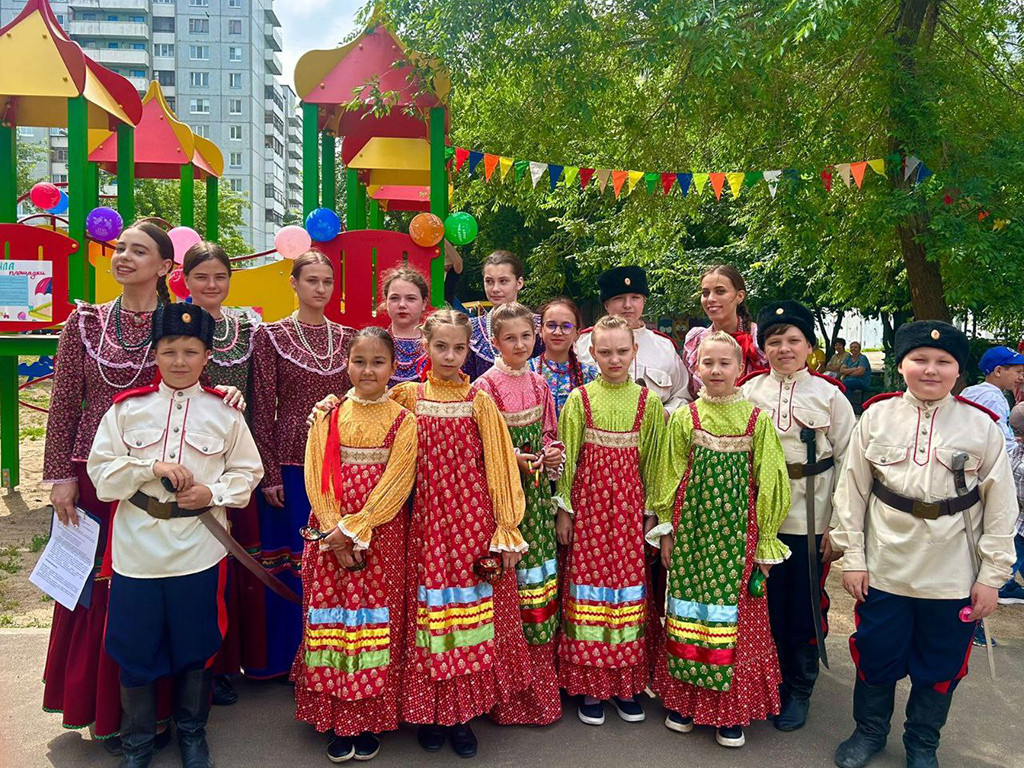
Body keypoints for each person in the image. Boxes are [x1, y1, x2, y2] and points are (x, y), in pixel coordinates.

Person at [830, 321, 1016, 768]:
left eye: (943, 362)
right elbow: (851, 492)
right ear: (901, 365)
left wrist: (993, 576)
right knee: (875, 654)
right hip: (885, 564)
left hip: (952, 572)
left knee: (941, 664)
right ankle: (869, 732)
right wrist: (852, 559)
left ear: (959, 372)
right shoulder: (875, 416)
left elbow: (1001, 507)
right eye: (919, 360)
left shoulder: (981, 426)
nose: (930, 370)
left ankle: (922, 743)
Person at [88, 303, 263, 768]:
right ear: (155, 353)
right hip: (136, 550)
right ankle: (138, 745)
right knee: (134, 647)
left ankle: (192, 735)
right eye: (170, 351)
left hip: (199, 550)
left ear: (208, 356)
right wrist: (151, 466)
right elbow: (101, 473)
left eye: (191, 351)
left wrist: (213, 490)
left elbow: (249, 472)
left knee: (196, 646)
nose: (180, 361)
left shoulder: (224, 413)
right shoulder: (127, 411)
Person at [42, 222, 177, 753]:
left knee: (146, 588)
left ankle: (155, 713)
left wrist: (229, 399)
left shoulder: (174, 322)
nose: (123, 257)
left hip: (154, 474)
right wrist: (60, 478)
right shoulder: (85, 323)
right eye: (120, 248)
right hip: (92, 475)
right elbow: (63, 402)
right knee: (93, 589)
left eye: (138, 251)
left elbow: (196, 382)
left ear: (165, 266)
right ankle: (96, 707)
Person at [390, 310, 532, 758]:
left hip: (473, 525)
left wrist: (505, 526)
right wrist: (328, 407)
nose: (450, 356)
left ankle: (464, 717)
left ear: (470, 349)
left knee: (470, 622)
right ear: (425, 347)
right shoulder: (407, 398)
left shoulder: (479, 401)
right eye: (441, 347)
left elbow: (501, 466)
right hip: (428, 528)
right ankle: (432, 714)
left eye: (459, 348)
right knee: (433, 620)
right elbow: (367, 411)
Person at [648, 330, 790, 749]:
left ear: (741, 369)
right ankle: (685, 702)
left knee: (736, 620)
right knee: (689, 612)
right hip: (692, 535)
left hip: (737, 539)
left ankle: (730, 710)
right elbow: (668, 478)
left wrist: (766, 540)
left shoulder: (756, 420)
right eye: (707, 363)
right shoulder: (685, 417)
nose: (715, 370)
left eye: (724, 363)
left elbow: (771, 481)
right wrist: (667, 530)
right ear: (695, 368)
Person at [296, 327, 418, 763]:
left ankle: (367, 717)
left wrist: (358, 527)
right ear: (346, 364)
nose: (368, 370)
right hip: (330, 535)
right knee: (332, 620)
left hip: (379, 536)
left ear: (393, 367)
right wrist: (334, 530)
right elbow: (315, 471)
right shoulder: (328, 415)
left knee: (372, 624)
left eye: (378, 362)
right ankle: (332, 714)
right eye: (359, 361)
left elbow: (398, 481)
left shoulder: (405, 422)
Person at [741, 302, 856, 732]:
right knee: (759, 603)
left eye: (793, 340)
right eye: (774, 341)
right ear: (763, 346)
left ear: (809, 346)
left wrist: (840, 527)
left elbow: (850, 464)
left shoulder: (830, 396)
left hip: (809, 521)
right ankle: (762, 680)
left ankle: (799, 685)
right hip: (758, 520)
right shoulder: (750, 391)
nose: (784, 349)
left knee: (803, 606)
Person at [249, 251, 356, 679]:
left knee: (329, 558)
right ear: (293, 283)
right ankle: (284, 660)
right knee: (291, 561)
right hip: (291, 457)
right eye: (311, 280)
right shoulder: (270, 336)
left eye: (327, 281)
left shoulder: (349, 338)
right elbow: (261, 408)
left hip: (340, 459)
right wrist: (269, 472)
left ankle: (328, 656)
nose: (320, 288)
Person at [557, 314, 664, 727]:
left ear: (634, 351)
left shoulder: (648, 403)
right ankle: (588, 686)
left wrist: (652, 515)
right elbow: (567, 459)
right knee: (588, 590)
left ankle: (625, 684)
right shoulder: (580, 399)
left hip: (628, 514)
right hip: (589, 513)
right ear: (592, 353)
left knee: (628, 591)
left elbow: (655, 462)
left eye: (622, 351)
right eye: (605, 352)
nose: (614, 359)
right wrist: (564, 509)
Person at [474, 302, 564, 726]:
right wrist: (513, 459)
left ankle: (539, 695)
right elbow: (480, 450)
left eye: (526, 336)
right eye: (510, 338)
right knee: (505, 591)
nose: (520, 344)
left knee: (536, 588)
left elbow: (550, 433)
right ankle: (503, 700)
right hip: (500, 503)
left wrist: (550, 456)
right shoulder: (484, 388)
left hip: (536, 504)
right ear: (494, 342)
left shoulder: (540, 384)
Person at [182, 242, 264, 705]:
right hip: (185, 454)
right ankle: (194, 667)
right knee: (191, 562)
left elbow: (262, 386)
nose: (211, 286)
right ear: (185, 279)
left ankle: (226, 662)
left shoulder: (248, 326)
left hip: (235, 456)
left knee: (233, 559)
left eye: (219, 277)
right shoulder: (173, 321)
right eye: (201, 277)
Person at [576, 266, 689, 413]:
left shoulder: (664, 347)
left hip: (651, 432)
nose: (627, 305)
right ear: (606, 304)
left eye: (635, 297)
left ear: (644, 301)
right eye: (619, 298)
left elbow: (682, 397)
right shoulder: (583, 344)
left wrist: (665, 414)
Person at [683, 265, 767, 398]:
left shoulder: (760, 337)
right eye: (705, 293)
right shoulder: (696, 340)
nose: (710, 299)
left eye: (720, 291)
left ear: (740, 296)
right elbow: (688, 394)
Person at [465, 250, 534, 379]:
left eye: (503, 281)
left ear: (519, 283)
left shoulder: (537, 326)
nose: (495, 289)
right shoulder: (473, 329)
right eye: (489, 281)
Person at [528, 297, 597, 418]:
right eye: (551, 325)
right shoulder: (527, 371)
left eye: (566, 326)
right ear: (540, 330)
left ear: (577, 333)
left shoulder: (589, 375)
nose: (557, 332)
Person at [960, 346, 1024, 452]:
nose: (1021, 378)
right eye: (1018, 372)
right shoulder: (993, 399)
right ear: (998, 371)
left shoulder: (972, 392)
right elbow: (1001, 443)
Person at [380, 266, 429, 385]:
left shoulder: (435, 343)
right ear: (386, 302)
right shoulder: (375, 342)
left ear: (424, 303)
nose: (402, 304)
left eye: (411, 298)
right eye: (394, 298)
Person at [999, 404, 1024, 605]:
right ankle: (1002, 587)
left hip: (1015, 521)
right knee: (1013, 560)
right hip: (1021, 525)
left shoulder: (1016, 452)